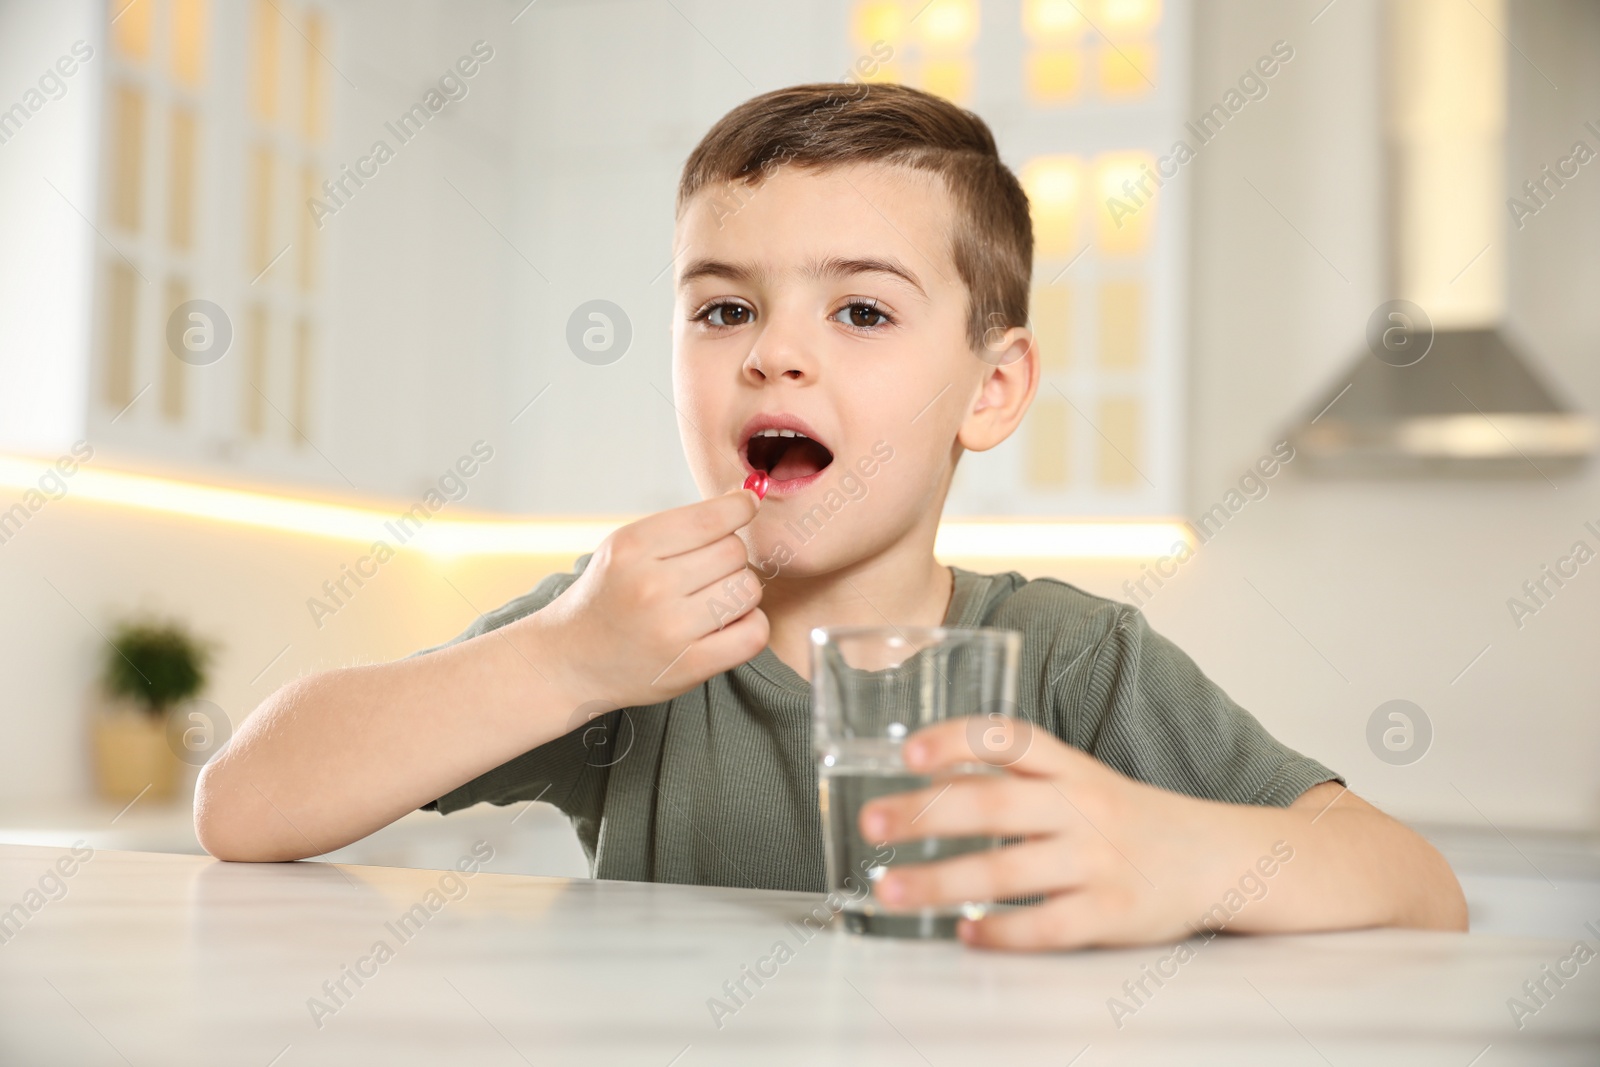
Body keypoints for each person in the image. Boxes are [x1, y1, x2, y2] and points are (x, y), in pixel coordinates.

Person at [196, 82, 1467, 950]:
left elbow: (1419, 892)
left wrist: (1184, 853)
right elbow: (243, 806)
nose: (773, 355)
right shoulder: (627, 635)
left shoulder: (1073, 661)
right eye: (723, 307)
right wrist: (560, 655)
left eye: (859, 310)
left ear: (991, 388)